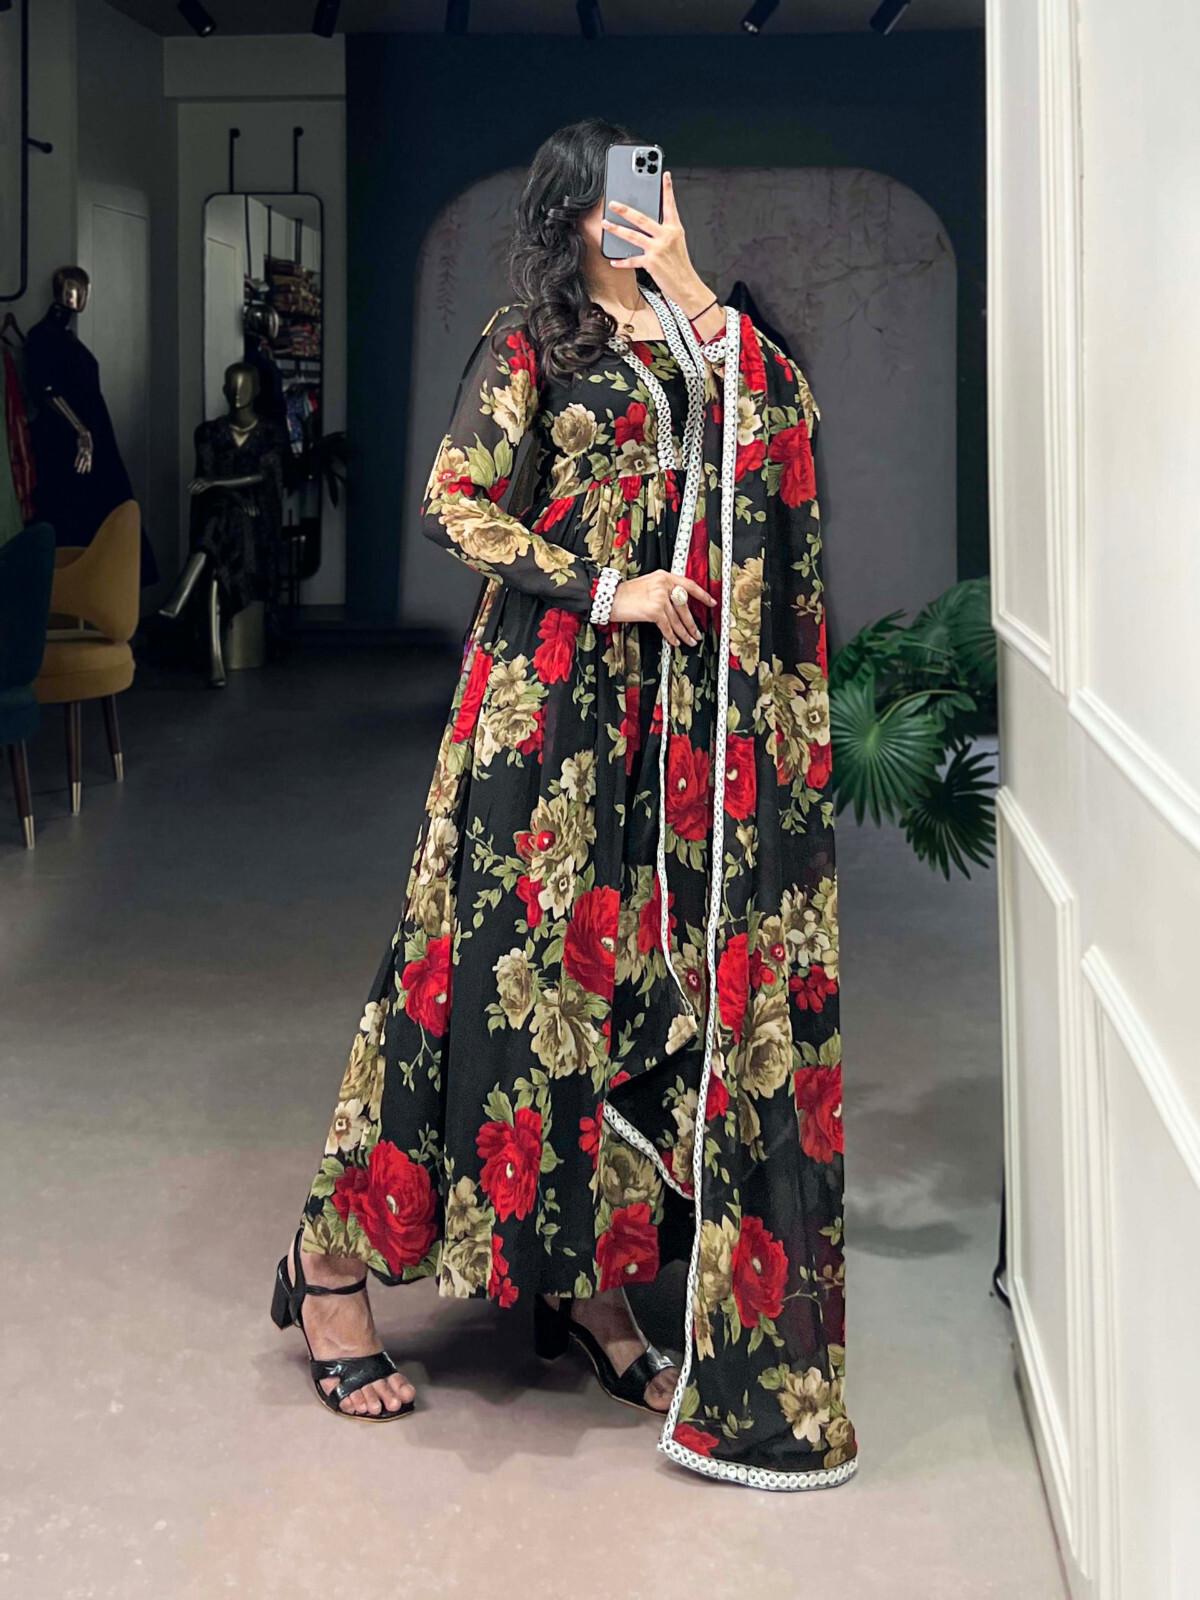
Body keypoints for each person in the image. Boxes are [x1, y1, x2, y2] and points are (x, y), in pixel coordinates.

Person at [271, 118, 857, 1491]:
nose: (635, 212)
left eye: (652, 186)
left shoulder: (701, 339)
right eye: (609, 198)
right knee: (482, 978)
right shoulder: (531, 342)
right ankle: (330, 1264)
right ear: (563, 215)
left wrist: (690, 284)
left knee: (622, 994)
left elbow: (789, 430)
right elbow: (454, 500)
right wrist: (608, 587)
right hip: (544, 710)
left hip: (670, 732)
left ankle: (588, 1287)